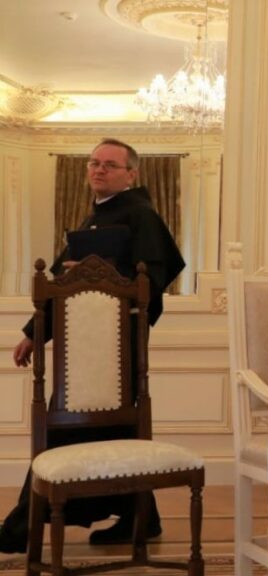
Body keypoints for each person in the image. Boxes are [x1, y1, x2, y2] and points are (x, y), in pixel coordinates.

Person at [2, 138, 185, 552]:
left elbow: (152, 279)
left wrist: (96, 272)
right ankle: (142, 518)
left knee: (82, 430)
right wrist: (33, 333)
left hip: (117, 350)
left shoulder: (141, 214)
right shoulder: (93, 218)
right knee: (114, 433)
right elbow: (59, 285)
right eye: (93, 163)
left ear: (131, 173)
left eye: (109, 165)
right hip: (83, 350)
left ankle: (20, 527)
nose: (98, 170)